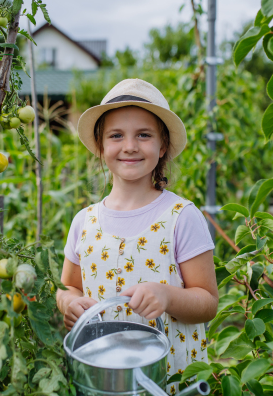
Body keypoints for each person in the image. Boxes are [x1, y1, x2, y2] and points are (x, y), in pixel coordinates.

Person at [56, 78, 219, 394]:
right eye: (116, 136)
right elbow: (69, 285)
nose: (130, 146)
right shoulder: (84, 222)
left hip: (170, 377)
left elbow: (208, 301)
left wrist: (167, 295)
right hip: (103, 378)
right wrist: (70, 304)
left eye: (143, 135)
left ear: (163, 147)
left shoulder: (180, 217)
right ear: (101, 148)